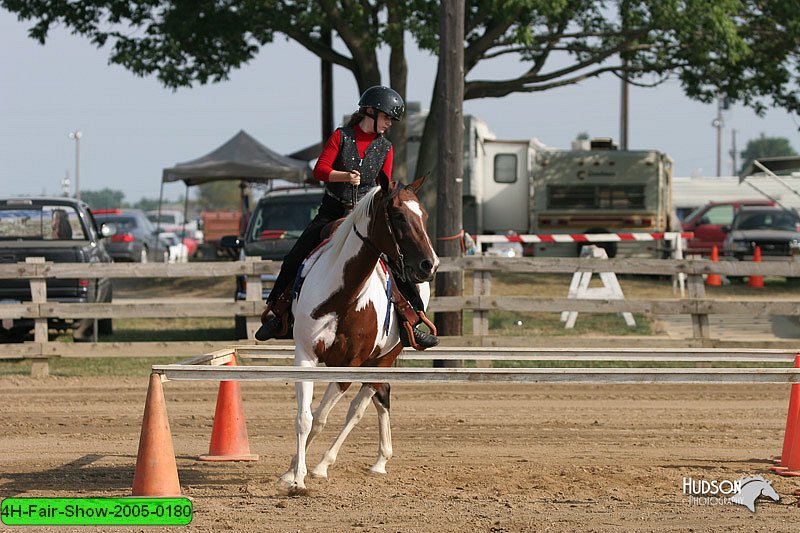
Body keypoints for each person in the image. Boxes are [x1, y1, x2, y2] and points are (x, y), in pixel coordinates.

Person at [255, 85, 439, 349]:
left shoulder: (386, 148)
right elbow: (320, 170)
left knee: (395, 264)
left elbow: (382, 185)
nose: (389, 124)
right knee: (297, 255)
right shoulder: (341, 137)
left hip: (364, 216)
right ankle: (278, 311)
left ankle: (411, 320)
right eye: (387, 117)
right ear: (371, 112)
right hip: (332, 212)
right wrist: (344, 176)